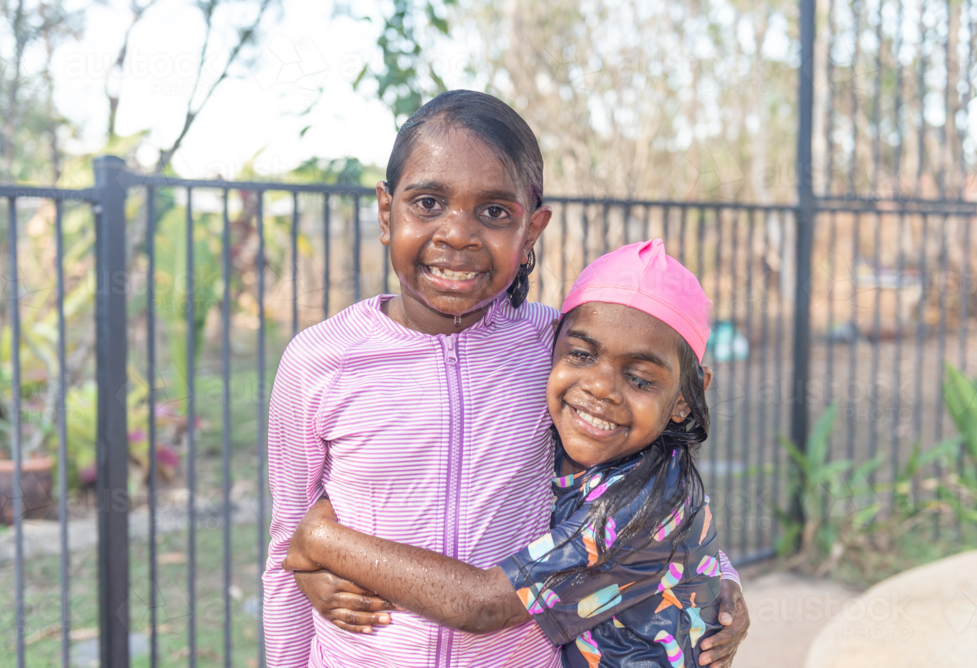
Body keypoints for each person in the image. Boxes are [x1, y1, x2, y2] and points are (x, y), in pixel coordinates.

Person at [263, 90, 749, 667]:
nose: (458, 234)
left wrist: (716, 579)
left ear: (532, 233)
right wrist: (310, 568)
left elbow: (651, 478)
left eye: (494, 212)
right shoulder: (318, 361)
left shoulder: (558, 351)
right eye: (428, 202)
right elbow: (286, 545)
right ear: (387, 212)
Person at [284, 239, 729, 667]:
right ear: (551, 347)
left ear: (685, 400)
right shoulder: (570, 442)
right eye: (581, 355)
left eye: (639, 379)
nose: (600, 388)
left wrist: (322, 542)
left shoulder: (648, 499)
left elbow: (483, 605)